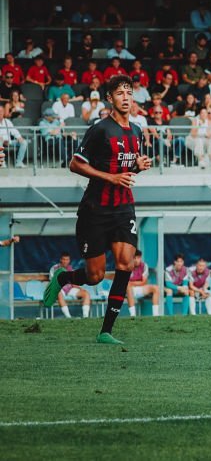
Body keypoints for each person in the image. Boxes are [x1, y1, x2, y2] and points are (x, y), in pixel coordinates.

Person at [43, 74, 153, 344]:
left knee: (125, 264)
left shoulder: (137, 130)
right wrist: (111, 178)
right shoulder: (100, 129)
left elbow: (125, 168)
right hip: (95, 209)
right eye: (120, 93)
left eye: (129, 92)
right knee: (95, 276)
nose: (126, 97)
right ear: (110, 99)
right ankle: (65, 277)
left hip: (124, 207)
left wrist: (138, 165)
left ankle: (106, 331)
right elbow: (75, 164)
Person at [49, 253, 92, 319]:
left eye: (67, 259)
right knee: (59, 293)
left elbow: (73, 282)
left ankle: (85, 317)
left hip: (69, 289)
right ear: (61, 260)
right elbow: (52, 282)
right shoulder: (54, 268)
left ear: (69, 260)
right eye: (64, 259)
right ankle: (68, 317)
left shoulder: (71, 269)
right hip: (59, 289)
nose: (65, 261)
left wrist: (80, 288)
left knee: (86, 293)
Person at [126, 249, 161, 317]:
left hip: (140, 288)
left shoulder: (144, 265)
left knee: (156, 288)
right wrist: (133, 283)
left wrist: (132, 283)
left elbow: (144, 282)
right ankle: (133, 315)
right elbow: (126, 283)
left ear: (141, 258)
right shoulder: (128, 266)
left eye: (138, 258)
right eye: (134, 258)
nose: (136, 260)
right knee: (128, 287)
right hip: (129, 290)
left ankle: (156, 315)